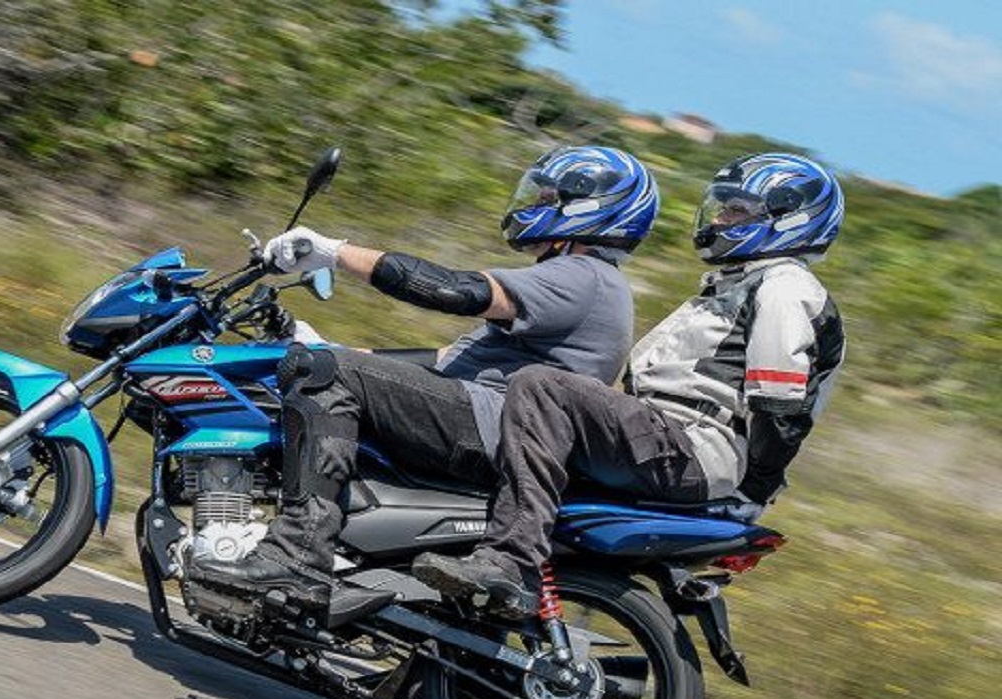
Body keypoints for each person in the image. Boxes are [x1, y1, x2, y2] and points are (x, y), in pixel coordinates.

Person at [192, 145, 660, 624]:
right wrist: (324, 345)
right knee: (325, 364)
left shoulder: (583, 275)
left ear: (592, 208)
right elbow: (444, 362)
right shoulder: (576, 279)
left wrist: (333, 253)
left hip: (496, 425)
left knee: (327, 374)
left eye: (546, 196)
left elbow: (455, 290)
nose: (532, 204)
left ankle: (295, 556)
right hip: (485, 417)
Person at [413, 152, 847, 618]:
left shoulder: (786, 288)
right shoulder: (737, 285)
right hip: (670, 440)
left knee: (542, 386)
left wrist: (748, 497)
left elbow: (780, 408)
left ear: (791, 220)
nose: (719, 219)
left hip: (694, 449)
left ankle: (509, 563)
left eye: (737, 210)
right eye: (721, 206)